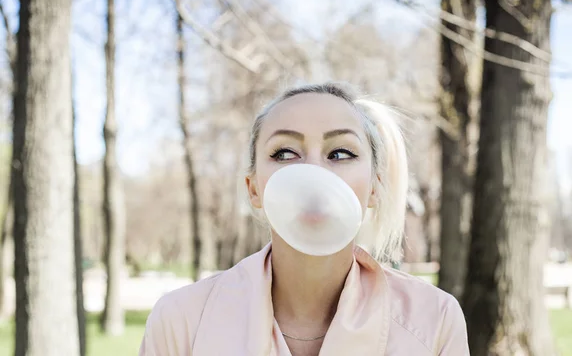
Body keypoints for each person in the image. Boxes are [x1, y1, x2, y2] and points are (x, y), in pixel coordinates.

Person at [139, 83, 469, 355]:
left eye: (340, 153)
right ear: (254, 189)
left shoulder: (435, 321)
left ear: (373, 188)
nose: (312, 171)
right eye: (285, 153)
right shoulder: (180, 322)